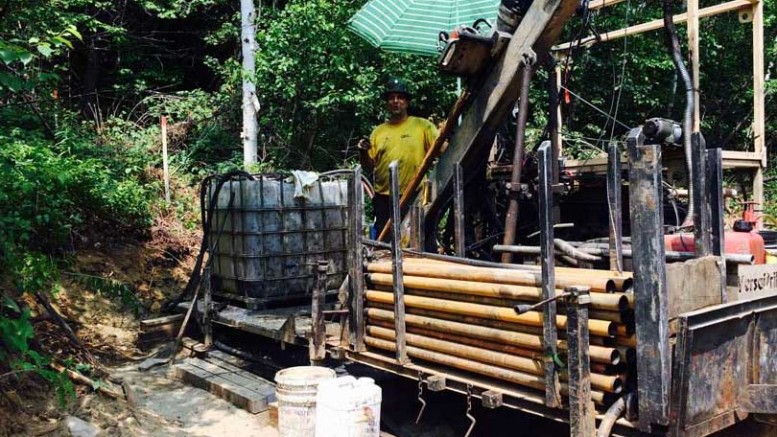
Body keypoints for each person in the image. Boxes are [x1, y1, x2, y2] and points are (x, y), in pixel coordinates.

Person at [359, 78, 439, 234]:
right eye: (391, 98)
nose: (395, 101)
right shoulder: (378, 132)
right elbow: (369, 166)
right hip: (384, 198)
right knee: (385, 239)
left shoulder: (422, 126)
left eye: (400, 97)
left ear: (407, 102)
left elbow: (442, 148)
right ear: (387, 103)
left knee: (419, 236)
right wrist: (363, 151)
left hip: (415, 193)